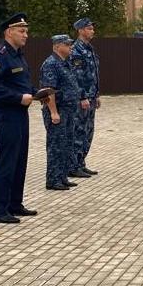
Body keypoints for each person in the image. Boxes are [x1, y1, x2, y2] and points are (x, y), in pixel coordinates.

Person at [0, 13, 37, 223]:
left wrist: (37, 92)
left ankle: (15, 203)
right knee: (6, 161)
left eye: (26, 31)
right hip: (7, 115)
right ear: (9, 32)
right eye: (21, 31)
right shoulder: (0, 55)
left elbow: (23, 83)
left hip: (21, 114)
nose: (26, 35)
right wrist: (18, 98)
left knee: (19, 160)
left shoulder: (18, 55)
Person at [40, 35, 83, 191]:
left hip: (69, 111)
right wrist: (53, 112)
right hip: (58, 111)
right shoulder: (51, 64)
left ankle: (62, 177)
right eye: (67, 44)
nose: (70, 47)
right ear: (57, 46)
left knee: (66, 144)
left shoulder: (66, 63)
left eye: (70, 44)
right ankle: (53, 179)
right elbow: (48, 91)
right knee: (56, 146)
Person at [71, 17, 100, 176]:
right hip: (82, 99)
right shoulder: (76, 50)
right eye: (89, 28)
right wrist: (82, 97)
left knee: (88, 131)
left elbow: (93, 74)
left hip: (91, 97)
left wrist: (97, 94)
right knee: (79, 131)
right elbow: (76, 77)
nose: (92, 31)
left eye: (92, 28)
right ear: (81, 30)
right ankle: (73, 166)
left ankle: (81, 163)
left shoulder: (89, 49)